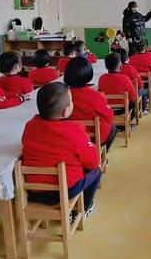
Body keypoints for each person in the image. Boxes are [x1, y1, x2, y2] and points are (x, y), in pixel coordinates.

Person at [21, 82, 101, 216]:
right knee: (96, 170)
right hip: (65, 190)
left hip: (34, 191)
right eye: (71, 102)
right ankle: (86, 206)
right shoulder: (75, 130)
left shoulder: (30, 126)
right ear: (66, 111)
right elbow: (92, 162)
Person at [64, 57, 117, 151]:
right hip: (94, 136)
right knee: (112, 129)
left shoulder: (62, 95)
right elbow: (109, 117)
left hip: (69, 136)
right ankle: (100, 154)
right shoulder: (95, 95)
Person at [99, 53, 137, 117]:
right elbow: (133, 97)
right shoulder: (125, 78)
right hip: (122, 110)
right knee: (132, 103)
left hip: (107, 109)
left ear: (106, 66)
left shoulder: (102, 78)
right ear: (120, 66)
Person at [118, 48, 149, 115]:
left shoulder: (103, 78)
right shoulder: (131, 69)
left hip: (113, 106)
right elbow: (140, 85)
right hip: (129, 101)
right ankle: (143, 109)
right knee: (145, 91)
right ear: (127, 58)